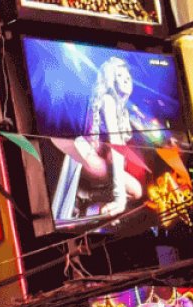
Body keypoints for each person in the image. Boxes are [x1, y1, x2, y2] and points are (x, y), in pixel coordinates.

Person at [57, 56, 155, 222]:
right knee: (132, 188)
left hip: (99, 160)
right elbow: (116, 146)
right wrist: (119, 198)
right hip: (85, 157)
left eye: (127, 76)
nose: (126, 80)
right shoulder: (108, 100)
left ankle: (85, 196)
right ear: (111, 79)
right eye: (119, 76)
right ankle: (85, 196)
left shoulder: (121, 108)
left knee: (136, 191)